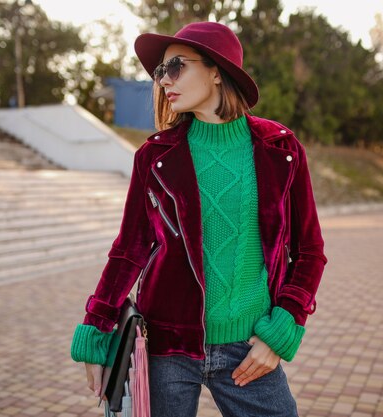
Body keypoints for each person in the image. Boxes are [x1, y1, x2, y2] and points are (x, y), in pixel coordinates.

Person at [71, 21, 327, 417]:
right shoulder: (154, 157)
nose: (163, 81)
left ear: (216, 70)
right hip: (167, 346)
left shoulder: (281, 149)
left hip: (249, 344)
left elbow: (309, 251)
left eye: (176, 67)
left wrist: (280, 331)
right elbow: (129, 250)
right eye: (160, 72)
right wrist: (96, 327)